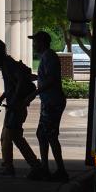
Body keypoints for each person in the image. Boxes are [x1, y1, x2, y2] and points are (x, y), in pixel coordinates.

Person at [0, 38, 45, 178]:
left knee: (8, 137)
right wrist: (1, 100)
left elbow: (20, 81)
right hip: (15, 106)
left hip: (16, 107)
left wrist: (14, 100)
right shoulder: (8, 63)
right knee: (13, 137)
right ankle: (33, 166)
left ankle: (13, 168)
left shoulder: (7, 64)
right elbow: (12, 85)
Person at [30, 31, 69, 182]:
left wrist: (33, 93)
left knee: (50, 135)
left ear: (42, 42)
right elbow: (46, 77)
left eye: (35, 42)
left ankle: (60, 170)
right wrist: (35, 77)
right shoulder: (47, 56)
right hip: (49, 102)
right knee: (43, 134)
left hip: (53, 102)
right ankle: (46, 168)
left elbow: (51, 80)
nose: (34, 45)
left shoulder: (49, 56)